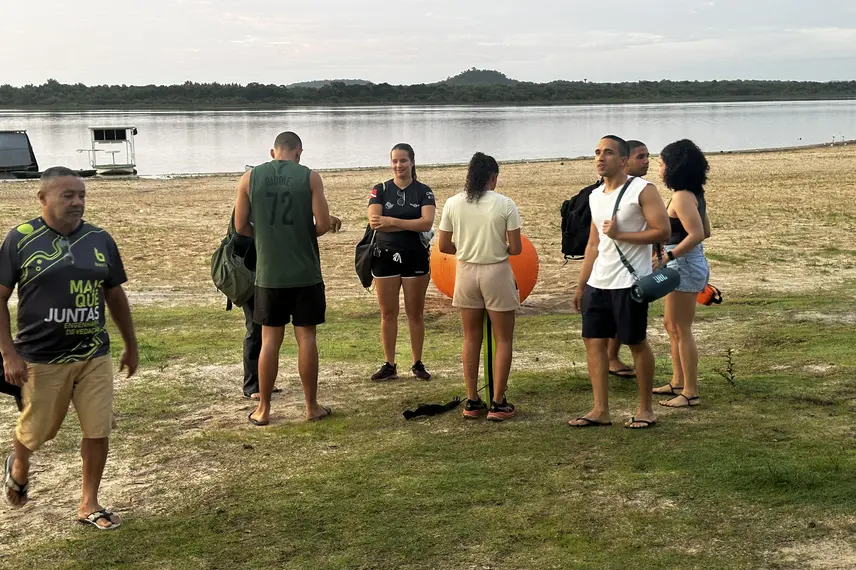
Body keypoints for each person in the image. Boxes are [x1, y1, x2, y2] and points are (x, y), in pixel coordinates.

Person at [0, 167, 138, 529]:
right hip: (40, 357)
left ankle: (89, 503)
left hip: (93, 353)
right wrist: (8, 354)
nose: (78, 202)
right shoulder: (21, 239)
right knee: (39, 430)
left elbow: (113, 293)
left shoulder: (100, 239)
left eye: (82, 195)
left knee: (97, 428)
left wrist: (130, 343)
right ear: (43, 198)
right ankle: (18, 462)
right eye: (68, 195)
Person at [569, 136, 670, 429]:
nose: (600, 157)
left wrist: (621, 235)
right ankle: (601, 410)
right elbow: (592, 243)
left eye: (608, 153)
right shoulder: (595, 195)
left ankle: (646, 410)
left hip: (629, 282)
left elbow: (662, 231)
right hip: (599, 282)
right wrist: (581, 285)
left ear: (624, 160)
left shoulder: (642, 190)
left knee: (636, 342)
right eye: (597, 152)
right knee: (593, 342)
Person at [234, 132, 331, 426]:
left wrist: (267, 235)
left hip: (269, 274)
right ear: (299, 153)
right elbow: (324, 224)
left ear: (272, 152)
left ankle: (263, 409)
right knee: (307, 339)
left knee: (269, 341)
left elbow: (241, 227)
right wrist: (300, 233)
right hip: (304, 273)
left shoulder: (249, 179)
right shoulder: (310, 178)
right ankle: (311, 406)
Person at [437, 152, 522, 421]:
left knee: (471, 337)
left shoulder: (453, 203)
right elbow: (517, 248)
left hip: (465, 271)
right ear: (493, 178)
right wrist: (499, 247)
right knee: (503, 338)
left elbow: (443, 246)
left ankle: (473, 400)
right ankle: (498, 401)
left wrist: (465, 247)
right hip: (496, 271)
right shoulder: (505, 204)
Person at [231, 210, 340, 401]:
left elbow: (289, 218)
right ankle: (252, 384)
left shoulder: (264, 190)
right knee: (258, 330)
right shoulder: (255, 190)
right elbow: (241, 229)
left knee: (267, 334)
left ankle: (263, 387)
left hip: (270, 270)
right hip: (254, 269)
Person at [367, 143, 436, 381]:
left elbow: (426, 223)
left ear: (412, 162)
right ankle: (389, 364)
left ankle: (417, 363)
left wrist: (392, 221)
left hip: (415, 255)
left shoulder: (424, 191)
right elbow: (375, 222)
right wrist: (405, 221)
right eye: (395, 161)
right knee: (388, 313)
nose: (399, 165)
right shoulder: (380, 189)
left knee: (415, 313)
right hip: (384, 256)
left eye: (403, 161)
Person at [652, 139, 712, 407]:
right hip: (685, 262)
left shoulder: (681, 196)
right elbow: (705, 231)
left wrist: (669, 256)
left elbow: (698, 234)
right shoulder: (692, 194)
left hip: (683, 264)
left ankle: (690, 391)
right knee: (670, 325)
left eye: (661, 162)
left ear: (674, 166)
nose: (658, 166)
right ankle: (677, 381)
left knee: (681, 328)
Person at [607, 139, 651, 379]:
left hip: (628, 267)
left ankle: (611, 357)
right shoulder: (615, 190)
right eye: (640, 157)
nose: (646, 162)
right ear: (625, 161)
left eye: (648, 157)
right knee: (628, 327)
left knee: (621, 319)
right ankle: (611, 358)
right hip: (618, 268)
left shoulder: (642, 188)